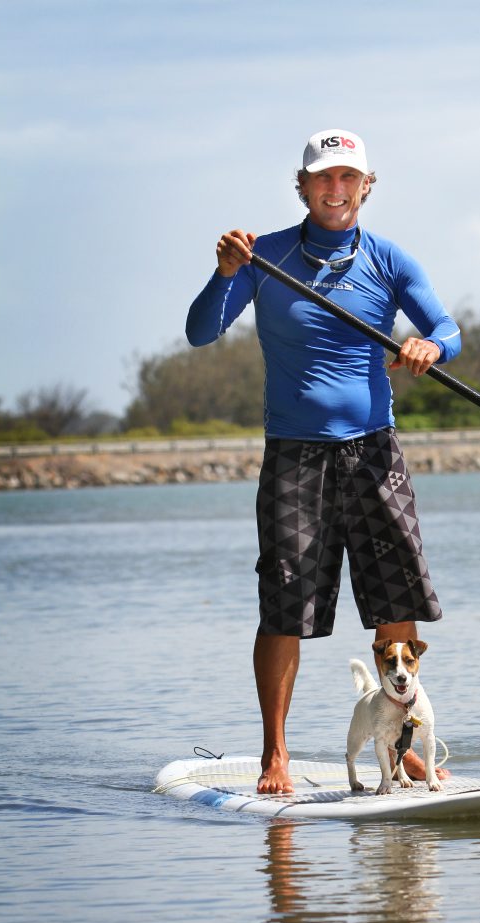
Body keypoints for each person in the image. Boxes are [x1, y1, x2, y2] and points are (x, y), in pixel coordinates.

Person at [186, 128, 461, 794]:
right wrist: (225, 274)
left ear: (367, 186)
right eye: (323, 178)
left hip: (374, 451)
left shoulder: (391, 259)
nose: (336, 190)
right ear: (302, 186)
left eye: (348, 179)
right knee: (284, 605)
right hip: (294, 456)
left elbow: (447, 329)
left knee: (396, 599)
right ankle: (274, 755)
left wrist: (430, 347)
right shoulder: (262, 257)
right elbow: (200, 331)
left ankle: (400, 746)